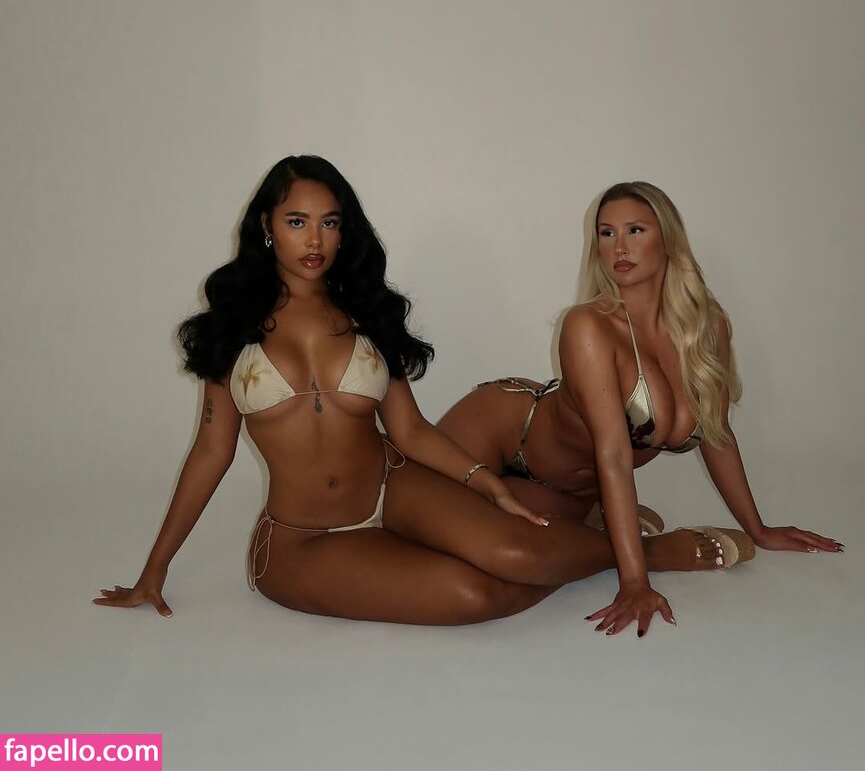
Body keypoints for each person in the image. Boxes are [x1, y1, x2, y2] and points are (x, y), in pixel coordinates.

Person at [93, 160, 730, 631]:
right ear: (267, 227)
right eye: (296, 222)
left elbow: (411, 431)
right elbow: (210, 454)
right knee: (475, 595)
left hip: (396, 484)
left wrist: (487, 484)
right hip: (304, 540)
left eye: (329, 223)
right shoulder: (231, 329)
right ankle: (641, 550)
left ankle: (624, 551)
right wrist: (155, 570)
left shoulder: (367, 313)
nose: (314, 240)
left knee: (515, 551)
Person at [439, 181, 842, 635]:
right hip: (497, 439)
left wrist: (759, 529)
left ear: (668, 238)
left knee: (517, 578)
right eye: (606, 233)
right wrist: (634, 582)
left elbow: (717, 435)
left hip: (567, 491)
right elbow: (613, 453)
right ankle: (655, 549)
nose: (619, 247)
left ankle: (601, 521)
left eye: (635, 230)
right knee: (440, 548)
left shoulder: (708, 329)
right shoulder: (588, 325)